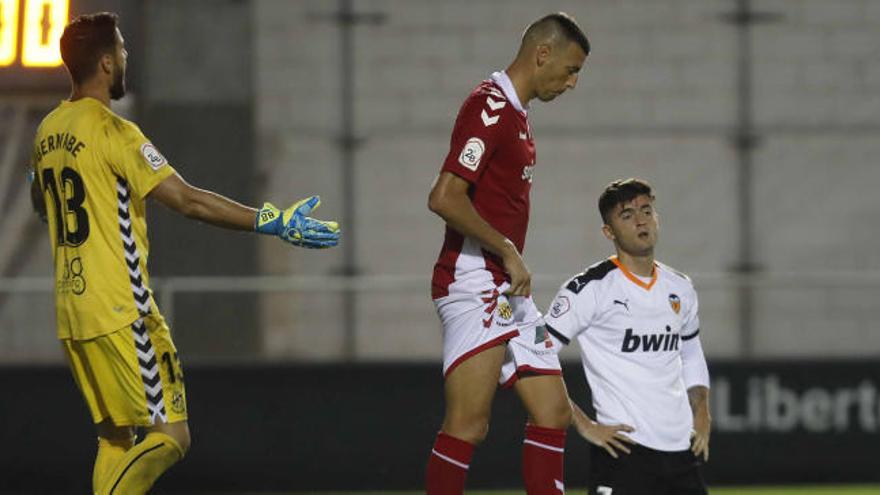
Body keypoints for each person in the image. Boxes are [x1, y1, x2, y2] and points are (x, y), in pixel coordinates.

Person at [28, 12, 340, 495]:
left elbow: (41, 206)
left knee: (115, 439)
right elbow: (188, 200)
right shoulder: (115, 132)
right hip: (120, 309)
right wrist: (273, 220)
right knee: (172, 437)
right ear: (107, 63)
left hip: (72, 310)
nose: (129, 57)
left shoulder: (47, 131)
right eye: (124, 49)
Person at [426, 12, 590, 494]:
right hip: (474, 282)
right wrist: (505, 249)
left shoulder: (517, 114)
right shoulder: (489, 107)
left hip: (509, 290)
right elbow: (444, 197)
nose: (573, 82)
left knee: (554, 411)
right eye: (571, 68)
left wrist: (508, 259)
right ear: (543, 53)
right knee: (468, 426)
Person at [542, 178, 711, 495]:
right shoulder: (589, 289)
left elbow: (690, 352)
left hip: (680, 453)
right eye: (627, 215)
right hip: (623, 453)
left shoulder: (680, 286)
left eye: (646, 210)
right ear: (609, 232)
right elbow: (534, 355)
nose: (641, 220)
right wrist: (584, 424)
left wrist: (702, 412)